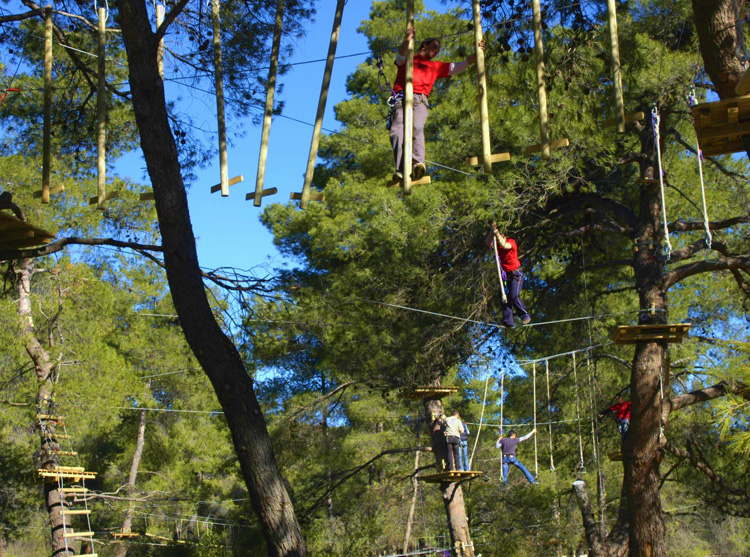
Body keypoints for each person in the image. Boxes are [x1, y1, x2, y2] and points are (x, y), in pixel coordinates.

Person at [389, 27, 484, 181]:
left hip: (420, 100)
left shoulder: (436, 66)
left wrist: (476, 53)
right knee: (397, 131)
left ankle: (417, 164)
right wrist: (408, 38)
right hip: (402, 98)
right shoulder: (408, 59)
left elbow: (459, 66)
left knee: (417, 128)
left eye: (438, 50)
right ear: (424, 46)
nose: (436, 51)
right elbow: (401, 54)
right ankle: (401, 168)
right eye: (434, 47)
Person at [488, 222, 531, 327]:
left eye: (499, 237)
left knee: (514, 296)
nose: (498, 240)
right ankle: (509, 322)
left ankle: (524, 315)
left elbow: (504, 245)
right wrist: (492, 232)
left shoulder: (511, 242)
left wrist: (496, 232)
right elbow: (488, 243)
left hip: (516, 274)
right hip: (506, 276)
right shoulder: (497, 246)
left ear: (504, 236)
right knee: (504, 298)